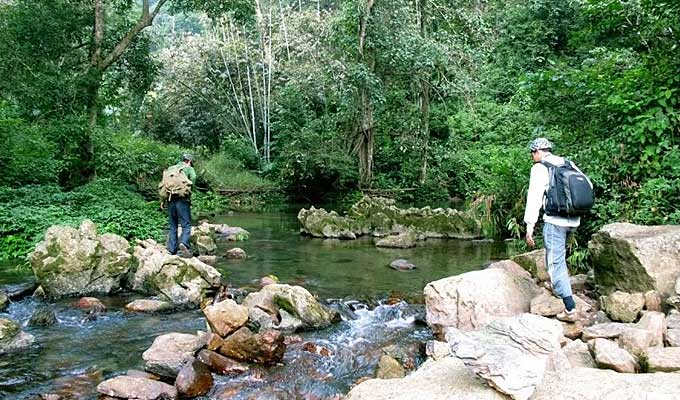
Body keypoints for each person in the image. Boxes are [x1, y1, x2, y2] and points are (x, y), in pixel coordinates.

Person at [523, 138, 589, 322]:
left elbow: (534, 198)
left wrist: (529, 226)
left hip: (555, 221)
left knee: (555, 262)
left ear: (537, 152)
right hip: (574, 220)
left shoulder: (540, 168)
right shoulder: (568, 163)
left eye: (532, 154)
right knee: (560, 258)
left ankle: (570, 308)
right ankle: (560, 286)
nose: (532, 157)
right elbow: (587, 186)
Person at [165, 153, 197, 258]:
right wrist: (190, 188)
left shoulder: (171, 168)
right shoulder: (188, 168)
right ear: (189, 161)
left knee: (173, 225)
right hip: (183, 200)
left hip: (170, 199)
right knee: (186, 224)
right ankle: (184, 243)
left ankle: (171, 250)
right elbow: (194, 177)